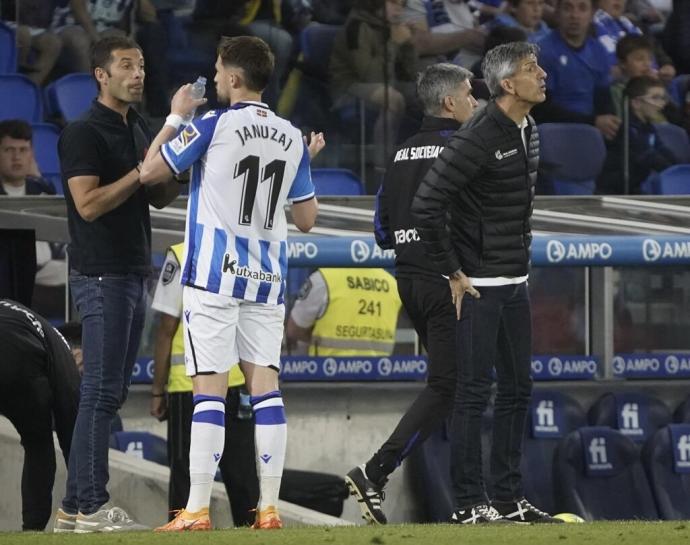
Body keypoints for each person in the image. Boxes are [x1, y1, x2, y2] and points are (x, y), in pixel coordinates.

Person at [139, 35, 320, 531]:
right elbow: (306, 219)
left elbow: (150, 172)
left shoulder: (211, 123)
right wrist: (303, 164)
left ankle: (196, 509)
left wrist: (176, 115)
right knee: (266, 390)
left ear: (235, 77)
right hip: (266, 279)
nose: (214, 78)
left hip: (215, 278)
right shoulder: (290, 134)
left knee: (209, 393)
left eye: (218, 71)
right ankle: (268, 508)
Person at [411, 42, 561, 524]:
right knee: (474, 393)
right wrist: (453, 270)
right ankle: (468, 504)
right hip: (478, 284)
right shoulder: (477, 135)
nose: (541, 73)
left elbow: (520, 205)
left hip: (515, 278)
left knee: (518, 389)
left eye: (537, 65)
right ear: (506, 85)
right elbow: (427, 204)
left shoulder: (530, 129)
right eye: (529, 68)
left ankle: (507, 499)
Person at [54, 35, 180, 533]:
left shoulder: (139, 125)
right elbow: (88, 205)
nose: (138, 74)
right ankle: (92, 506)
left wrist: (167, 167)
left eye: (142, 64)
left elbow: (160, 198)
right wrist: (138, 172)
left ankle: (69, 509)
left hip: (132, 271)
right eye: (127, 65)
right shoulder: (82, 132)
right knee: (101, 393)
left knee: (111, 390)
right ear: (100, 75)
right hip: (101, 274)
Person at [343, 63, 478, 525]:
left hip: (410, 279)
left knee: (454, 387)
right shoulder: (461, 149)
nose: (474, 102)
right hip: (450, 282)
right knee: (450, 387)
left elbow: (382, 229)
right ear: (449, 103)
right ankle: (377, 471)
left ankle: (470, 499)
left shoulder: (400, 154)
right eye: (468, 94)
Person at [150, 242, 259, 526]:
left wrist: (157, 390)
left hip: (190, 386)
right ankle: (256, 536)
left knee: (187, 474)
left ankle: (184, 532)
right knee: (243, 476)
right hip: (235, 383)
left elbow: (165, 328)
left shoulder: (181, 253)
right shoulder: (244, 250)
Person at [0, 299, 80, 531]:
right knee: (38, 445)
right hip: (14, 357)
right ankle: (32, 529)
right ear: (79, 354)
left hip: (15, 346)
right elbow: (71, 433)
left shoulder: (30, 322)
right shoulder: (63, 350)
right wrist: (86, 503)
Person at [330, 0, 418, 169]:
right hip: (348, 88)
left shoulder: (390, 26)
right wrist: (394, 43)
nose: (398, 10)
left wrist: (408, 45)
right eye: (393, 3)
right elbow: (370, 76)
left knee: (425, 94)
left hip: (387, 83)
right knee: (393, 99)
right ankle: (383, 165)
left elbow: (409, 75)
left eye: (401, 5)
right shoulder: (356, 26)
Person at [533, 0, 621, 141]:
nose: (575, 15)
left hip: (593, 131)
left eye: (582, 8)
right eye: (568, 8)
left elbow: (603, 99)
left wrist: (609, 124)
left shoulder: (599, 51)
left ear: (592, 14)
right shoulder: (543, 52)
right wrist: (593, 122)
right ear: (557, 13)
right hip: (554, 135)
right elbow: (542, 110)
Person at [286, 268, 401, 356]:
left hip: (325, 375)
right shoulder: (392, 285)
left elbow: (294, 329)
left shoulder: (324, 279)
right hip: (382, 376)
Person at [596, 75, 677, 194]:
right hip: (614, 194)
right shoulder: (627, 130)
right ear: (637, 103)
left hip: (635, 189)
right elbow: (649, 157)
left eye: (662, 98)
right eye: (655, 98)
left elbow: (663, 151)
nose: (661, 104)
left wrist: (681, 167)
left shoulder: (649, 128)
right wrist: (675, 171)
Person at [0, 120, 55, 197]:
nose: (17, 157)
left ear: (31, 154)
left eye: (23, 150)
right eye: (9, 150)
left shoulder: (44, 192)